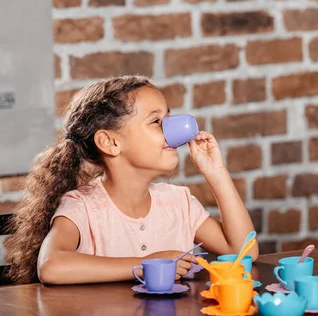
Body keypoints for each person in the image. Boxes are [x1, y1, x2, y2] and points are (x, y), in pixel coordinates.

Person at [4, 75, 258, 285]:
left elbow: (244, 251)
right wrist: (146, 265)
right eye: (156, 121)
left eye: (168, 118)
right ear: (111, 142)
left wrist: (216, 172)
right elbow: (51, 267)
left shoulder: (178, 203)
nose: (172, 131)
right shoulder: (83, 207)